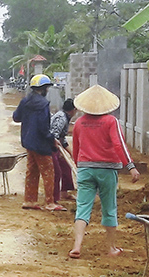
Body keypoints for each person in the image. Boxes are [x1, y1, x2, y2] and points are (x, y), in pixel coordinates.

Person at [69, 84, 140, 259]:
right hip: (107, 170)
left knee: (83, 208)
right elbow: (119, 144)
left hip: (85, 168)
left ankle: (77, 246)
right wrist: (130, 166)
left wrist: (80, 165)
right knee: (109, 207)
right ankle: (111, 248)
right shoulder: (111, 121)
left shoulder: (79, 122)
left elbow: (76, 147)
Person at [12, 74, 60, 212]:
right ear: (44, 88)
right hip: (41, 144)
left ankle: (29, 200)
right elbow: (44, 128)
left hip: (28, 142)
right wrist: (52, 139)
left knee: (31, 171)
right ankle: (50, 202)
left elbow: (16, 117)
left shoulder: (25, 101)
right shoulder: (43, 105)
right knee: (48, 172)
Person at [49, 98, 77, 207]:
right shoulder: (61, 118)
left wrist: (71, 154)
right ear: (73, 109)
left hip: (57, 145)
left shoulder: (65, 117)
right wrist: (58, 150)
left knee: (66, 167)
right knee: (57, 171)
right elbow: (54, 135)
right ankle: (53, 197)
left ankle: (64, 192)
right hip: (51, 146)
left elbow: (63, 139)